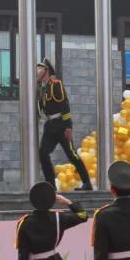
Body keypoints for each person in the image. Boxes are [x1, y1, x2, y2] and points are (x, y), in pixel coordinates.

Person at [36, 58, 93, 191]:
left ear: (47, 71)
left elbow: (65, 106)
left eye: (40, 68)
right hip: (50, 126)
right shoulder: (41, 87)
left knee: (72, 154)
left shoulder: (56, 84)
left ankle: (87, 183)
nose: (37, 71)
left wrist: (68, 127)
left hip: (61, 125)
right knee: (43, 153)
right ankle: (51, 185)